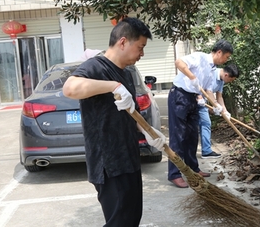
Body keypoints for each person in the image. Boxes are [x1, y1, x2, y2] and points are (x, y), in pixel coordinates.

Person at [62, 17, 166, 227]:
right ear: (123, 42)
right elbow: (70, 88)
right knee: (119, 222)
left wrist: (148, 132)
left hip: (128, 158)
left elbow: (131, 112)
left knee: (131, 218)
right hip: (109, 164)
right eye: (140, 47)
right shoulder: (95, 67)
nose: (142, 54)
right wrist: (113, 86)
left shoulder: (125, 73)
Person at [167, 39, 234, 188]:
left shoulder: (212, 69)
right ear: (219, 52)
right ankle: (174, 174)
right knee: (178, 137)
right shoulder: (199, 57)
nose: (226, 60)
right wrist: (192, 77)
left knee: (192, 136)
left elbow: (209, 91)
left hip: (193, 100)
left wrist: (217, 106)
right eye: (226, 56)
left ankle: (193, 169)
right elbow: (179, 62)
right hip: (179, 95)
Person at [198, 64, 240, 159]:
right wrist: (216, 105)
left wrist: (225, 111)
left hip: (202, 103)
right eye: (231, 80)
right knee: (193, 127)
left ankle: (206, 151)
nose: (230, 82)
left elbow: (219, 96)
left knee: (206, 123)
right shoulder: (211, 74)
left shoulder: (221, 80)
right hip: (193, 99)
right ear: (226, 75)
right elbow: (208, 91)